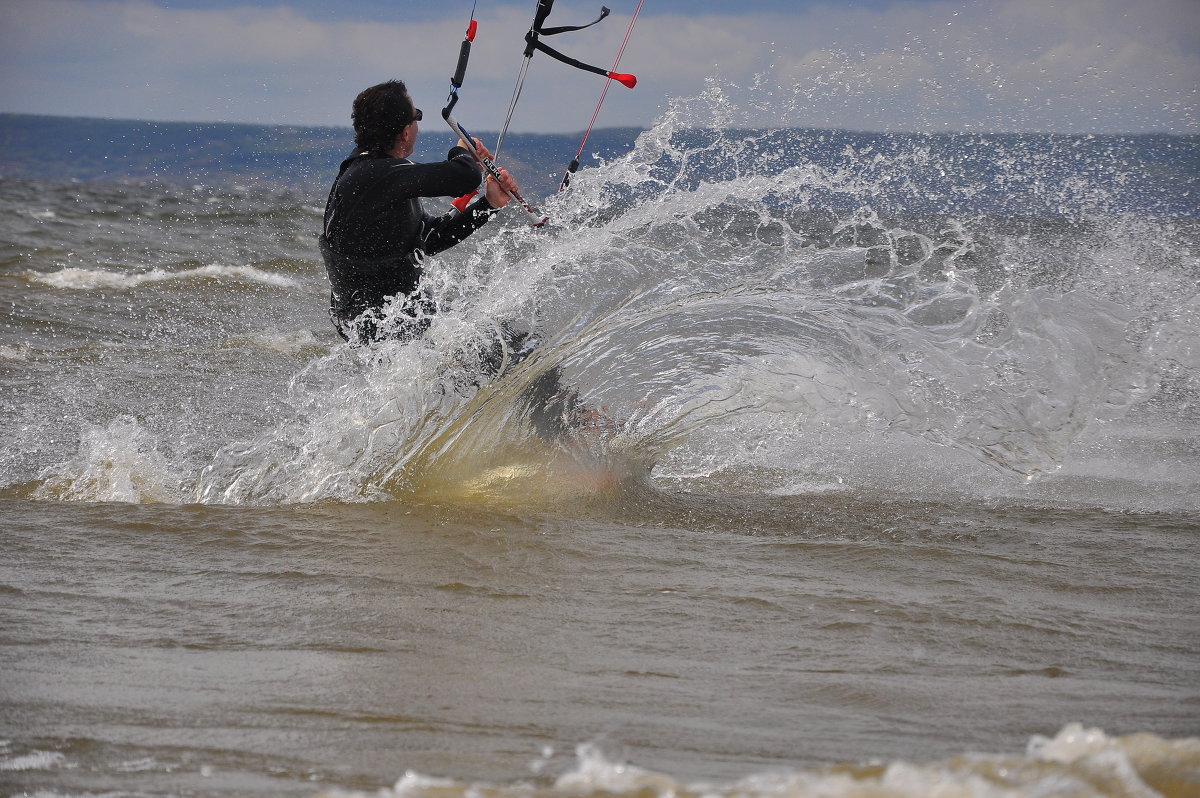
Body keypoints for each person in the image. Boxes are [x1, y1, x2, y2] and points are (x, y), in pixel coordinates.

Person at [319, 79, 520, 343]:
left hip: (396, 323)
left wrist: (489, 205)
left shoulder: (373, 173)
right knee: (511, 340)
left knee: (505, 334)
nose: (418, 124)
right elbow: (465, 176)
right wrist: (461, 151)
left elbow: (431, 239)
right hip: (386, 327)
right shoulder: (373, 175)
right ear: (405, 132)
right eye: (417, 117)